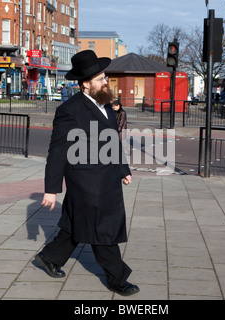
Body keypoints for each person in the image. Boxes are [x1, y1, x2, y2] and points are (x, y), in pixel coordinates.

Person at [35, 50, 139, 296]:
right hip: (87, 181)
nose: (106, 82)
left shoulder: (104, 104)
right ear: (85, 83)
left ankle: (50, 257)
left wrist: (123, 168)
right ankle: (117, 278)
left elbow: (112, 140)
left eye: (105, 77)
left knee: (75, 224)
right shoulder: (70, 110)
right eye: (101, 78)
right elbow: (57, 151)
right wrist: (51, 189)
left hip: (106, 177)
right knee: (101, 229)